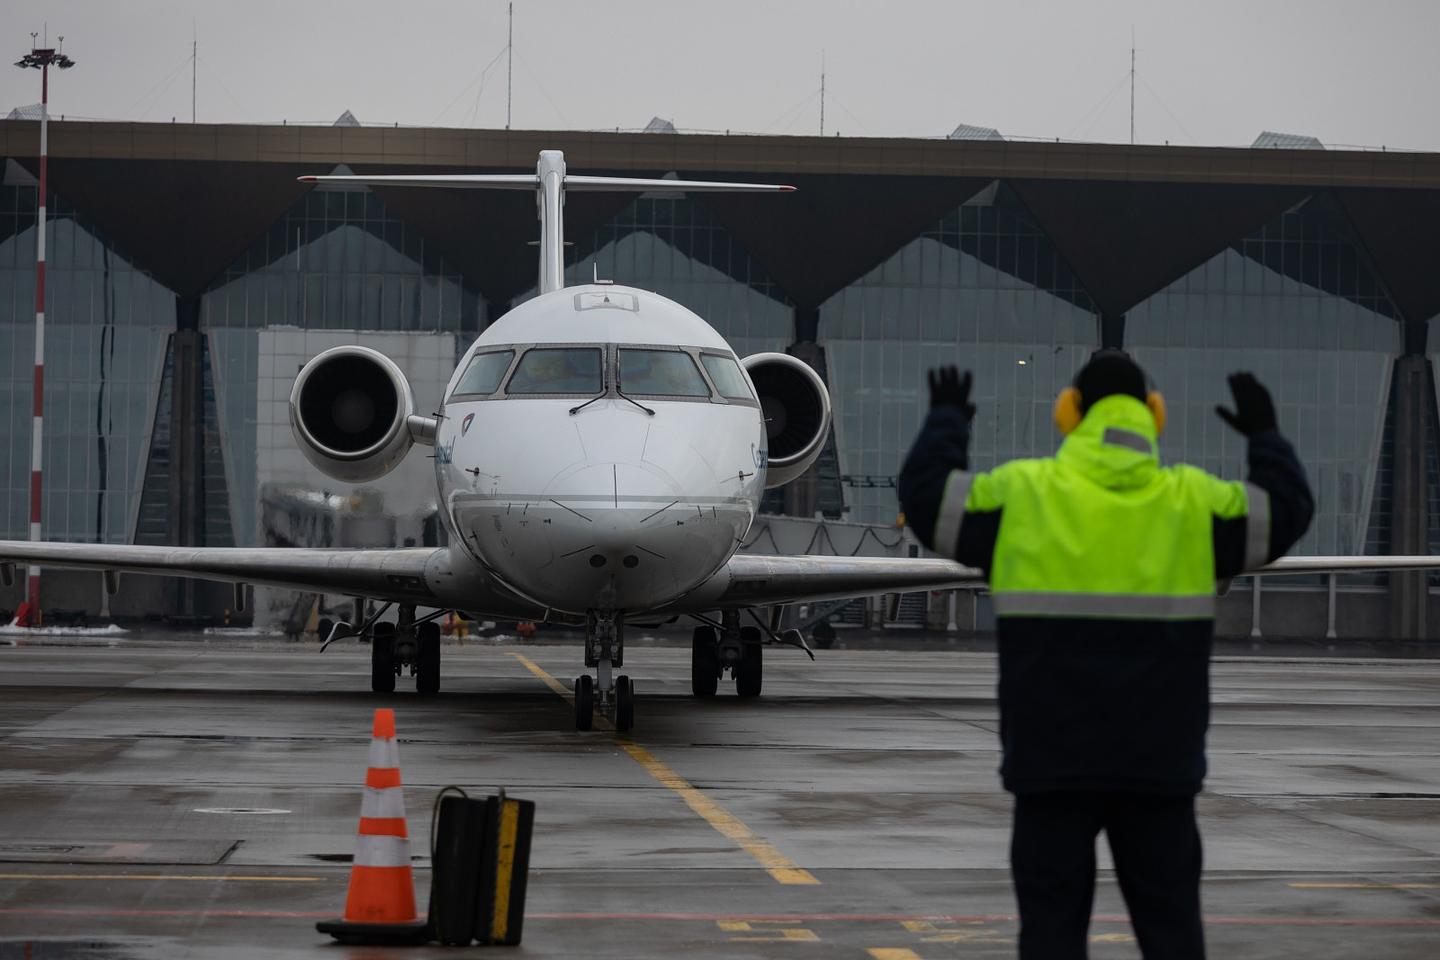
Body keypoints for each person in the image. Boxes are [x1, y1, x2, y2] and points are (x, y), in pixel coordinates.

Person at [898, 351, 1313, 959]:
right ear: (1154, 414)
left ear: (1069, 412)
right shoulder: (1193, 503)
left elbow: (929, 504)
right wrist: (1265, 436)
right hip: (1159, 769)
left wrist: (946, 422)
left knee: (1051, 933)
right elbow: (1287, 511)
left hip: (1050, 766)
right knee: (1171, 930)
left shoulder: (1023, 495)